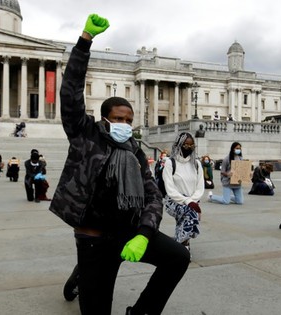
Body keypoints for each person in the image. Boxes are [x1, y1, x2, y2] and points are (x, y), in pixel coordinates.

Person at [49, 15, 189, 315]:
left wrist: (144, 233)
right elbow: (70, 93)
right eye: (118, 118)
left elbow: (153, 194)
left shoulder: (135, 151)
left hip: (127, 232)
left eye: (128, 119)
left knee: (178, 257)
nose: (124, 124)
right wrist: (85, 40)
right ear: (104, 119)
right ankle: (81, 275)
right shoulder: (85, 136)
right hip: (94, 239)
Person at [163, 132, 204, 252]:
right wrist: (187, 201)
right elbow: (170, 189)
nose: (189, 148)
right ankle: (183, 245)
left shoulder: (196, 164)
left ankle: (179, 245)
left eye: (192, 146)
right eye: (186, 145)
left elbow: (200, 187)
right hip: (173, 201)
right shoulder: (170, 163)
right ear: (179, 145)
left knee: (185, 219)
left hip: (192, 201)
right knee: (190, 214)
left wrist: (192, 201)